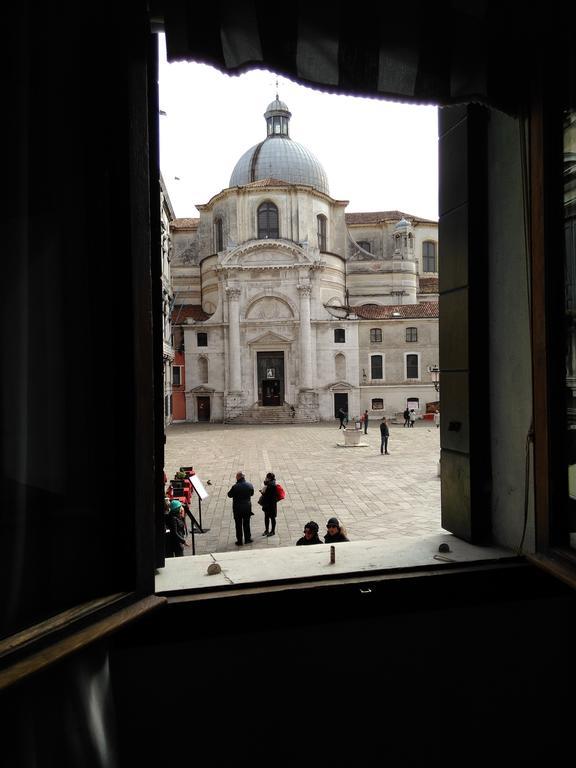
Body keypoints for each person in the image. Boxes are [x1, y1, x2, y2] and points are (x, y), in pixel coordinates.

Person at [227, 470, 254, 545]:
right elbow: (252, 494)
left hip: (237, 508)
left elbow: (229, 495)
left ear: (238, 477)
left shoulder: (235, 487)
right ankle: (247, 539)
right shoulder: (249, 485)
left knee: (238, 525)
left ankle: (239, 541)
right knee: (246, 523)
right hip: (247, 507)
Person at [259, 471, 278, 537]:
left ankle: (272, 531)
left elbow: (267, 494)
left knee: (272, 518)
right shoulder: (270, 483)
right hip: (269, 504)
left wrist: (262, 492)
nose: (266, 478)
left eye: (267, 477)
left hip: (270, 504)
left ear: (269, 478)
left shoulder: (271, 485)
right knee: (267, 517)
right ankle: (267, 530)